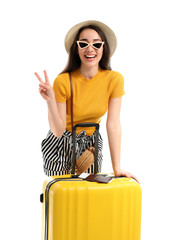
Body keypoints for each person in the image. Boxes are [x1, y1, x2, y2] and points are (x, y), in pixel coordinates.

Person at [35, 20, 139, 184]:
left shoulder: (114, 79)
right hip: (62, 142)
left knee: (88, 193)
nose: (90, 49)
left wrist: (117, 168)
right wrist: (50, 101)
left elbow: (113, 124)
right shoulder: (63, 81)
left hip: (90, 144)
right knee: (65, 194)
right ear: (76, 49)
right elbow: (58, 130)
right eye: (83, 44)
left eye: (96, 44)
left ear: (104, 48)